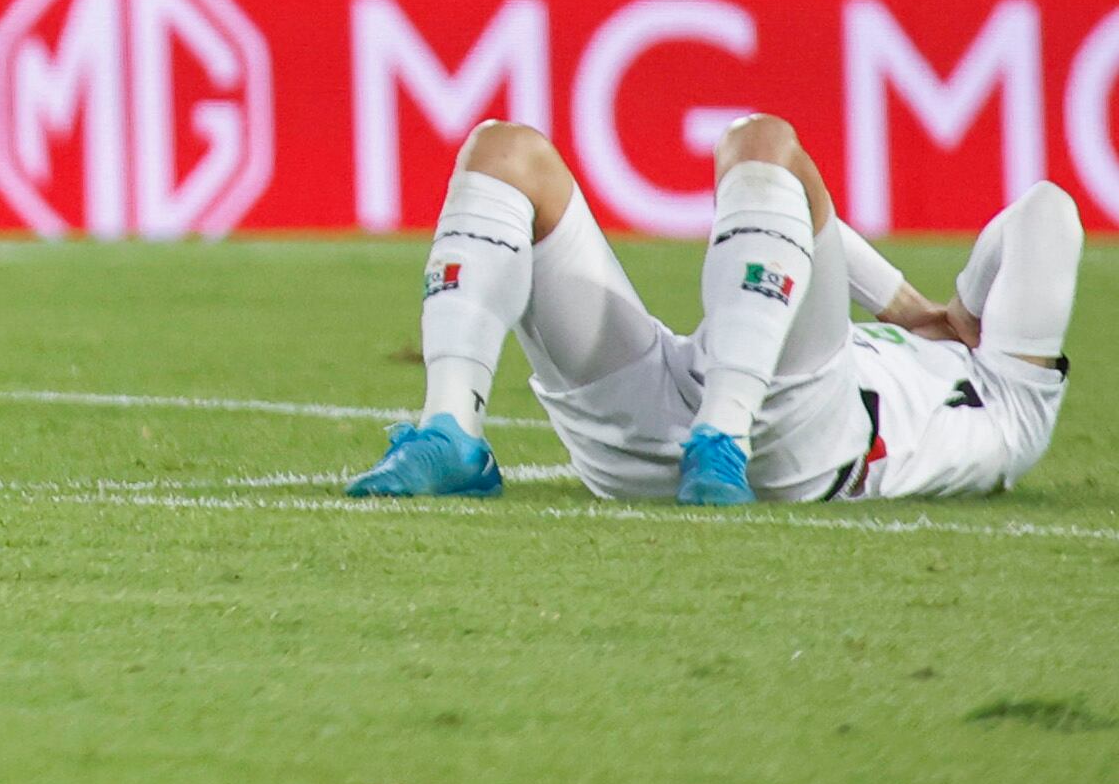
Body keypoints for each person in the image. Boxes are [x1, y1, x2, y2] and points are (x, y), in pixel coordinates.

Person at [347, 112, 1078, 508]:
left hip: (812, 447)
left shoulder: (1019, 409)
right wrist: (919, 307)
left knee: (762, 140)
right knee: (504, 151)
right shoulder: (1000, 394)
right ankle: (450, 431)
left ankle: (722, 437)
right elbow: (783, 209)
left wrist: (955, 303)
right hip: (686, 404)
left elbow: (1046, 213)